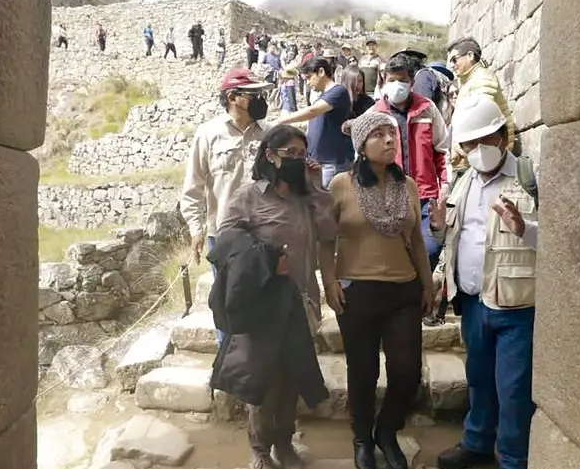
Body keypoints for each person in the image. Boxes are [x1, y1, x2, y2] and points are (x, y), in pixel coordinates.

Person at [211, 124, 335, 469]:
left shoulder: (305, 196)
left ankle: (285, 444)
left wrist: (315, 188)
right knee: (262, 382)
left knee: (293, 376)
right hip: (263, 305)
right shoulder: (247, 196)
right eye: (290, 154)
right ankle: (259, 451)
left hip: (302, 302)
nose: (297, 160)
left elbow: (328, 232)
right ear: (271, 155)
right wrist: (265, 261)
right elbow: (226, 244)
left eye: (302, 153)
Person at [429, 95, 539, 469]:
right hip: (473, 303)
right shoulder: (462, 182)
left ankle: (514, 466)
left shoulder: (528, 177)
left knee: (513, 388)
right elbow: (453, 238)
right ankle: (476, 443)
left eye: (484, 140)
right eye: (469, 145)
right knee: (478, 379)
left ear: (503, 135)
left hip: (516, 305)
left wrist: (523, 227)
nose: (477, 150)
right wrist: (439, 229)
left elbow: (556, 240)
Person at [319, 110, 435, 469]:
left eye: (392, 134)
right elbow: (325, 241)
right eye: (379, 135)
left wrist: (427, 284)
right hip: (358, 292)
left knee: (407, 371)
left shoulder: (409, 186)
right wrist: (329, 282)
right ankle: (361, 439)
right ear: (361, 146)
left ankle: (386, 431)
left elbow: (416, 240)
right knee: (363, 372)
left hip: (403, 289)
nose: (389, 140)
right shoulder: (341, 184)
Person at [180, 69, 273, 344]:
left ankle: (263, 364)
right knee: (228, 304)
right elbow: (193, 187)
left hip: (266, 232)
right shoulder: (208, 134)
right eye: (253, 94)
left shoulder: (269, 134)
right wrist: (196, 230)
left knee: (267, 300)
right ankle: (230, 365)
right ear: (233, 98)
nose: (260, 99)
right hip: (224, 235)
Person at [364, 54, 449, 323]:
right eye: (392, 80)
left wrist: (444, 184)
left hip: (425, 195)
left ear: (412, 82)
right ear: (384, 81)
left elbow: (442, 150)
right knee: (396, 252)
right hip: (390, 195)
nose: (397, 85)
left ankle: (418, 294)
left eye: (402, 80)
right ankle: (408, 305)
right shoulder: (375, 114)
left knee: (432, 247)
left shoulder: (427, 109)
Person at [276, 58, 353, 189]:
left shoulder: (338, 92)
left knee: (328, 201)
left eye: (309, 77)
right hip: (317, 161)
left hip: (331, 162)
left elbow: (312, 111)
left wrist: (280, 121)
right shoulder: (323, 96)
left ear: (321, 72)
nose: (308, 83)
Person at [446, 37, 516, 175]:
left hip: (490, 157)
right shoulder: (470, 81)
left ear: (470, 56)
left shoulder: (482, 79)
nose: (453, 65)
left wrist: (458, 149)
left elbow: (478, 123)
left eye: (455, 59)